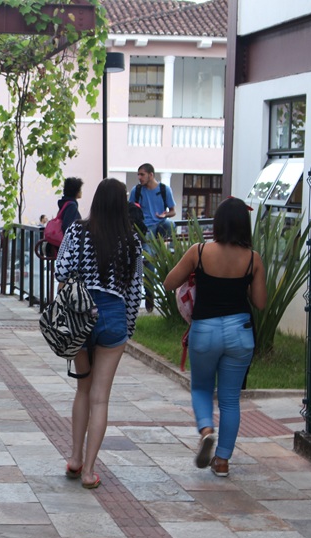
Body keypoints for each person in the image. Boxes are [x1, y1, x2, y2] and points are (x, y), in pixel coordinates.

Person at [163, 197, 267, 478]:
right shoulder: (253, 259)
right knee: (231, 399)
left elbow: (169, 282)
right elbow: (259, 302)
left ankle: (206, 430)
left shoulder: (199, 252)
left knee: (201, 389)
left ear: (218, 224)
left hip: (205, 331)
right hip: (240, 331)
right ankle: (222, 461)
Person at [55, 178, 143, 489]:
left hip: (81, 314)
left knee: (82, 391)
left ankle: (75, 459)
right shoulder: (131, 240)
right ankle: (90, 471)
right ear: (122, 204)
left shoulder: (78, 230)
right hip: (114, 316)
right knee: (101, 398)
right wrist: (127, 328)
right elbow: (135, 292)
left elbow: (61, 271)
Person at [132, 163, 176, 313]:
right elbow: (130, 210)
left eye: (142, 174)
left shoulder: (164, 189)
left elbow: (173, 211)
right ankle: (150, 296)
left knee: (172, 225)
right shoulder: (136, 191)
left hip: (160, 225)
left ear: (151, 175)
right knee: (148, 261)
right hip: (145, 229)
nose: (139, 177)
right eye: (138, 174)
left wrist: (164, 215)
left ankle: (162, 248)